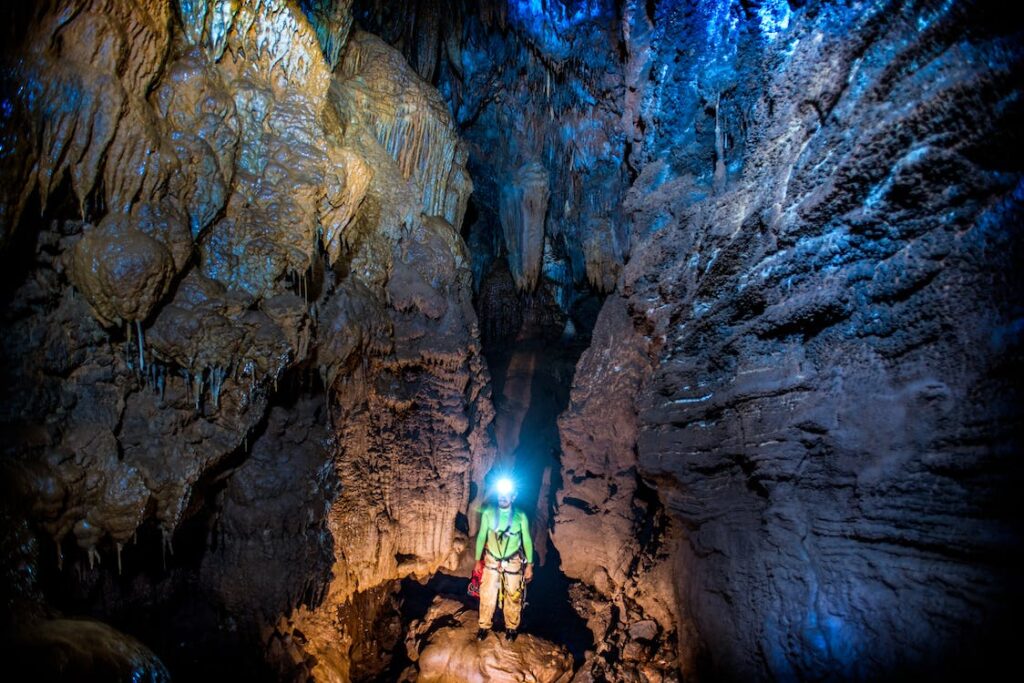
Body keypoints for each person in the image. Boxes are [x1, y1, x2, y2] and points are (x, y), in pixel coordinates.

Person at [475, 476, 533, 642]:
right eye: (501, 493)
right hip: (492, 559)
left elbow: (527, 540)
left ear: (513, 496)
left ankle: (511, 628)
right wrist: (477, 560)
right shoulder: (488, 513)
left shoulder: (520, 516)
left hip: (513, 560)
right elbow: (481, 536)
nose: (503, 497)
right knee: (487, 594)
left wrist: (530, 564)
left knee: (513, 595)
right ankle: (484, 626)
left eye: (507, 494)